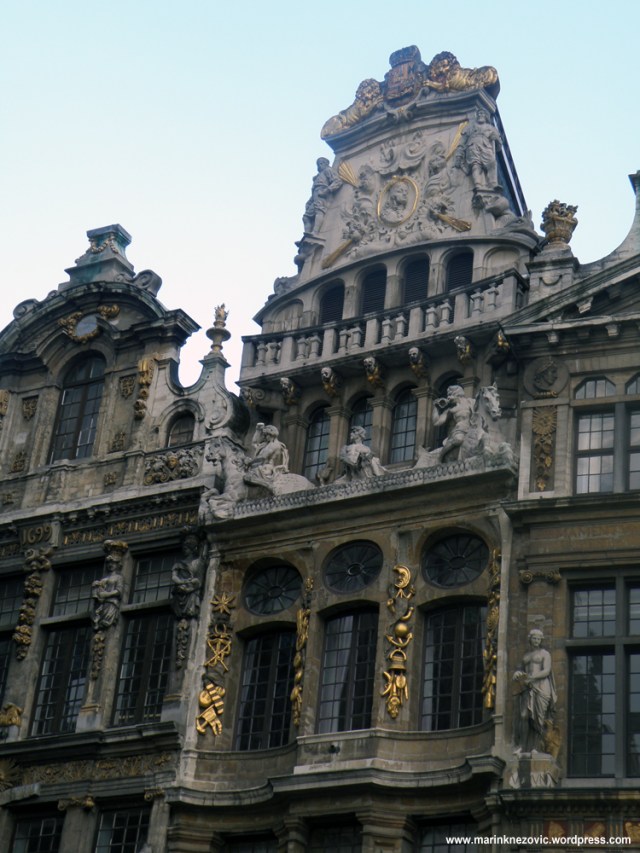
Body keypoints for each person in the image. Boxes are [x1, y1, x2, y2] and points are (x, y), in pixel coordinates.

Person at [512, 628, 556, 753]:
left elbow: (546, 670)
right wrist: (517, 673)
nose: (536, 641)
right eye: (534, 638)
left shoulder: (545, 654)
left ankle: (536, 747)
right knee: (524, 715)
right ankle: (522, 745)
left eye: (538, 639)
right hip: (528, 687)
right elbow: (520, 668)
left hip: (541, 686)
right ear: (530, 639)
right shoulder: (526, 656)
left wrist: (532, 677)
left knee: (538, 718)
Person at [457, 108, 502, 190]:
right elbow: (462, 141)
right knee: (475, 165)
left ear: (486, 117)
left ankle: (493, 184)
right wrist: (459, 153)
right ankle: (478, 185)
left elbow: (499, 146)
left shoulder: (491, 128)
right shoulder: (470, 127)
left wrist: (496, 139)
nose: (480, 115)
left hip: (486, 147)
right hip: (472, 146)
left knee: (492, 163)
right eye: (479, 114)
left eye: (482, 113)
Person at [432, 385, 475, 462]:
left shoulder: (470, 402)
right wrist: (435, 407)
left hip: (471, 428)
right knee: (459, 439)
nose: (448, 398)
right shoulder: (451, 409)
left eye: (450, 395)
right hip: (459, 430)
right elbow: (437, 422)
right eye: (448, 395)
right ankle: (441, 455)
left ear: (456, 394)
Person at [302, 157, 342, 235]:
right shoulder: (319, 175)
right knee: (306, 217)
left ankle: (315, 232)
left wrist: (326, 191)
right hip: (315, 194)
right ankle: (307, 234)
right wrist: (310, 200)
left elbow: (337, 181)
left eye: (321, 163)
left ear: (326, 163)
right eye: (318, 164)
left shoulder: (328, 170)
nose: (319, 166)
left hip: (322, 192)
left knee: (319, 211)